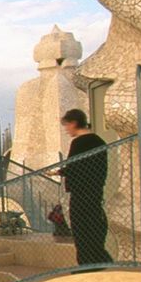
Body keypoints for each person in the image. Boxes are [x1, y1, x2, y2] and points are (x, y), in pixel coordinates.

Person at [59, 109, 113, 266]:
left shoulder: (79, 143)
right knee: (94, 228)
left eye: (67, 125)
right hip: (95, 191)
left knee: (81, 231)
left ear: (74, 123)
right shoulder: (99, 141)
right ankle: (99, 259)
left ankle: (88, 264)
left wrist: (60, 171)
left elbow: (74, 166)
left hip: (81, 194)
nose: (67, 129)